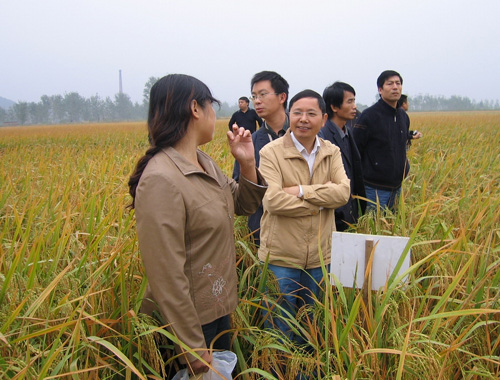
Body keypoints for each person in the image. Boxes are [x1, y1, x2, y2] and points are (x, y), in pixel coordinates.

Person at [128, 74, 267, 377]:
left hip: (217, 308)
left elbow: (243, 205)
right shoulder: (161, 178)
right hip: (189, 324)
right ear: (194, 108)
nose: (215, 115)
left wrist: (247, 164)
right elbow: (166, 274)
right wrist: (191, 347)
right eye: (212, 106)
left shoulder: (203, 162)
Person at [258, 89, 350, 342]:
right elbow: (273, 200)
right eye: (297, 113)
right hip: (281, 258)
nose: (303, 119)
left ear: (323, 118)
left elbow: (343, 193)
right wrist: (322, 203)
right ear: (289, 116)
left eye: (311, 113)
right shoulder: (270, 152)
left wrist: (300, 191)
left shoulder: (331, 151)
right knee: (279, 331)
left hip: (321, 258)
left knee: (314, 330)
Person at [232, 71, 290, 246]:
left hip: (304, 228)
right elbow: (239, 185)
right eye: (254, 96)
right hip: (264, 230)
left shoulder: (304, 136)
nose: (257, 101)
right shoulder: (252, 142)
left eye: (263, 94)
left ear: (282, 97)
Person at [352, 70, 410, 211]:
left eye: (398, 83)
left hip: (397, 187)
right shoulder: (369, 116)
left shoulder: (403, 116)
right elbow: (356, 150)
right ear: (380, 89)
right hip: (374, 189)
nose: (395, 87)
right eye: (390, 84)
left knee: (392, 228)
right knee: (372, 229)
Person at [319, 81, 366, 231]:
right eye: (349, 101)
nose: (354, 107)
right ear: (334, 107)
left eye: (354, 101)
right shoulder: (323, 136)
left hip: (349, 210)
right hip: (334, 213)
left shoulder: (347, 132)